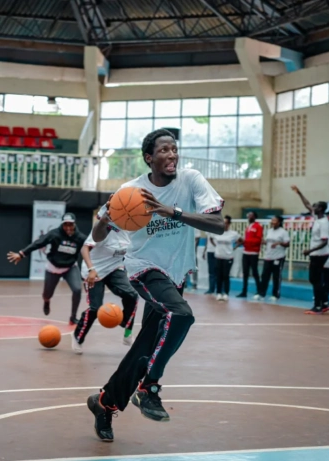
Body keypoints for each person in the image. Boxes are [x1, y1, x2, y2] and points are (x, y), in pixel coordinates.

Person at [85, 128, 224, 442]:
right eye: (163, 150)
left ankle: (105, 403)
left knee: (146, 346)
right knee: (181, 315)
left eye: (174, 149)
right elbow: (97, 237)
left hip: (176, 274)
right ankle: (149, 387)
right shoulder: (130, 192)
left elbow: (217, 224)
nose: (171, 155)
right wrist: (106, 218)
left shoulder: (190, 180)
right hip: (144, 269)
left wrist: (170, 211)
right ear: (149, 158)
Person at [7, 213, 87, 325]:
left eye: (71, 225)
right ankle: (46, 301)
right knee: (47, 294)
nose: (68, 227)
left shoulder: (80, 238)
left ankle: (73, 317)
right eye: (65, 225)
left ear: (74, 224)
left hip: (70, 267)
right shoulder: (54, 234)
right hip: (53, 267)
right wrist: (21, 254)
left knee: (77, 289)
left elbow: (89, 251)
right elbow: (39, 243)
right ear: (62, 224)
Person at [72, 224, 138, 354]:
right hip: (94, 270)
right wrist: (91, 269)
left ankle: (127, 331)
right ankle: (77, 337)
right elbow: (84, 249)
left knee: (132, 295)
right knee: (95, 308)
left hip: (114, 269)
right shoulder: (104, 228)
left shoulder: (131, 230)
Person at [291, 186, 329, 314]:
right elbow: (307, 204)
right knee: (315, 279)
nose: (313, 207)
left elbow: (325, 241)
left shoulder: (324, 223)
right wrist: (300, 193)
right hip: (316, 253)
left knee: (315, 280)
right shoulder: (317, 217)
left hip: (319, 254)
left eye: (316, 206)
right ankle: (324, 302)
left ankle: (318, 305)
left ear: (321, 209)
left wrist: (310, 250)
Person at [256, 215, 290, 301]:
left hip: (278, 257)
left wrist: (279, 243)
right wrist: (264, 242)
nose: (272, 222)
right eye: (272, 220)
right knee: (264, 276)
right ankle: (262, 293)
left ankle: (276, 294)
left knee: (276, 277)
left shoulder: (283, 232)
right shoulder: (269, 231)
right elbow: (268, 241)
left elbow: (287, 244)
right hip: (268, 256)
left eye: (274, 220)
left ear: (279, 222)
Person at [209, 215, 240, 301]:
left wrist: (234, 248)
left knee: (226, 276)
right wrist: (216, 246)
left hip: (228, 257)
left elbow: (241, 241)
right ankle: (218, 293)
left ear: (229, 224)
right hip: (218, 257)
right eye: (223, 223)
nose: (225, 224)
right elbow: (211, 238)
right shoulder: (217, 232)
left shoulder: (233, 234)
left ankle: (226, 293)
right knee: (218, 276)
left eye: (226, 223)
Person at [237, 212, 262, 298]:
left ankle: (259, 290)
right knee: (245, 273)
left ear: (254, 216)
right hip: (246, 252)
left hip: (253, 253)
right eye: (248, 215)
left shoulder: (258, 226)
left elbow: (258, 240)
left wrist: (246, 241)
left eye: (250, 215)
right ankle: (244, 291)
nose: (248, 217)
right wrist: (242, 242)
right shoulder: (248, 227)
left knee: (255, 272)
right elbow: (247, 239)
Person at [202, 230, 217, 295]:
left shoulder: (218, 230)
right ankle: (211, 288)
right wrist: (204, 251)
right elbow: (207, 241)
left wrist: (218, 248)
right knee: (211, 271)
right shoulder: (209, 230)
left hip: (217, 252)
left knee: (218, 271)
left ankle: (219, 288)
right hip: (209, 251)